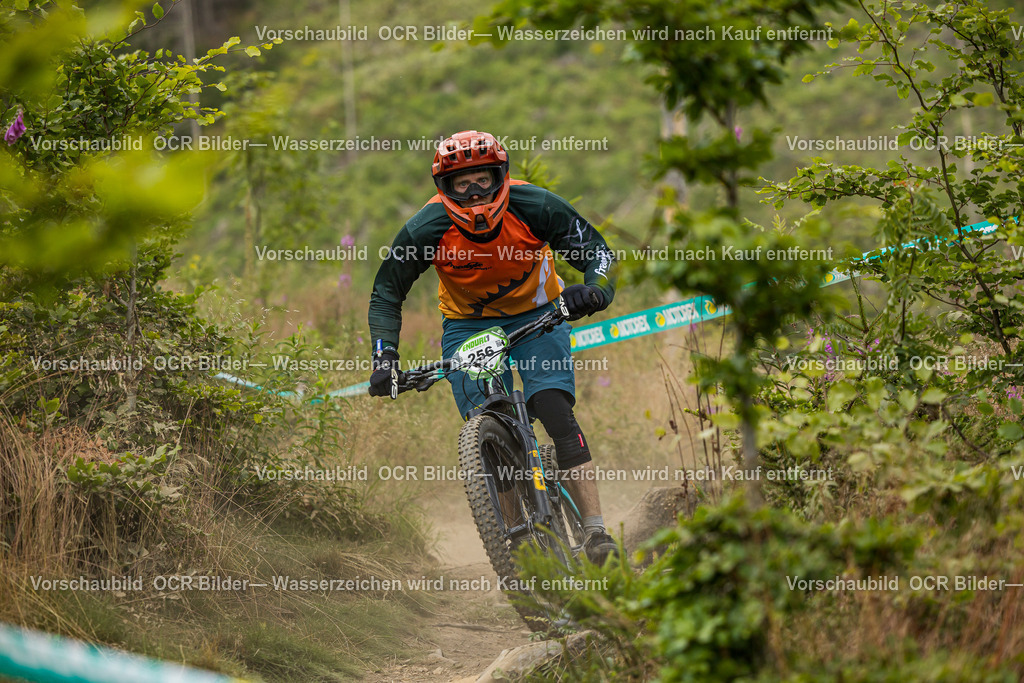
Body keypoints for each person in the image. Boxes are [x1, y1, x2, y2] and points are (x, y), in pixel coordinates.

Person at [366, 130, 618, 564]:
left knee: (554, 406)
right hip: (468, 326)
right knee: (489, 420)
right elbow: (386, 294)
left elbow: (597, 251)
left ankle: (596, 533)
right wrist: (385, 358)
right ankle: (517, 544)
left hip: (540, 314)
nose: (475, 192)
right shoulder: (426, 228)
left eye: (482, 179)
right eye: (461, 184)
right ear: (443, 189)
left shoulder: (535, 205)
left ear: (501, 176)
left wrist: (592, 291)